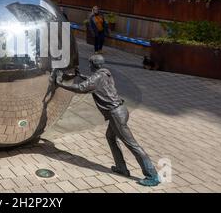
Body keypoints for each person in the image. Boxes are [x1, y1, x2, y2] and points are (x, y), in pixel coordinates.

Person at [55, 55, 161, 187]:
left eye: (90, 64)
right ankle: (121, 168)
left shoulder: (97, 77)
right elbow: (93, 82)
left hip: (115, 114)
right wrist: (81, 75)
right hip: (121, 110)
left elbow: (81, 88)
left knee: (132, 145)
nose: (89, 66)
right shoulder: (105, 73)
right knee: (110, 137)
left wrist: (60, 84)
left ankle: (152, 175)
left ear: (93, 64)